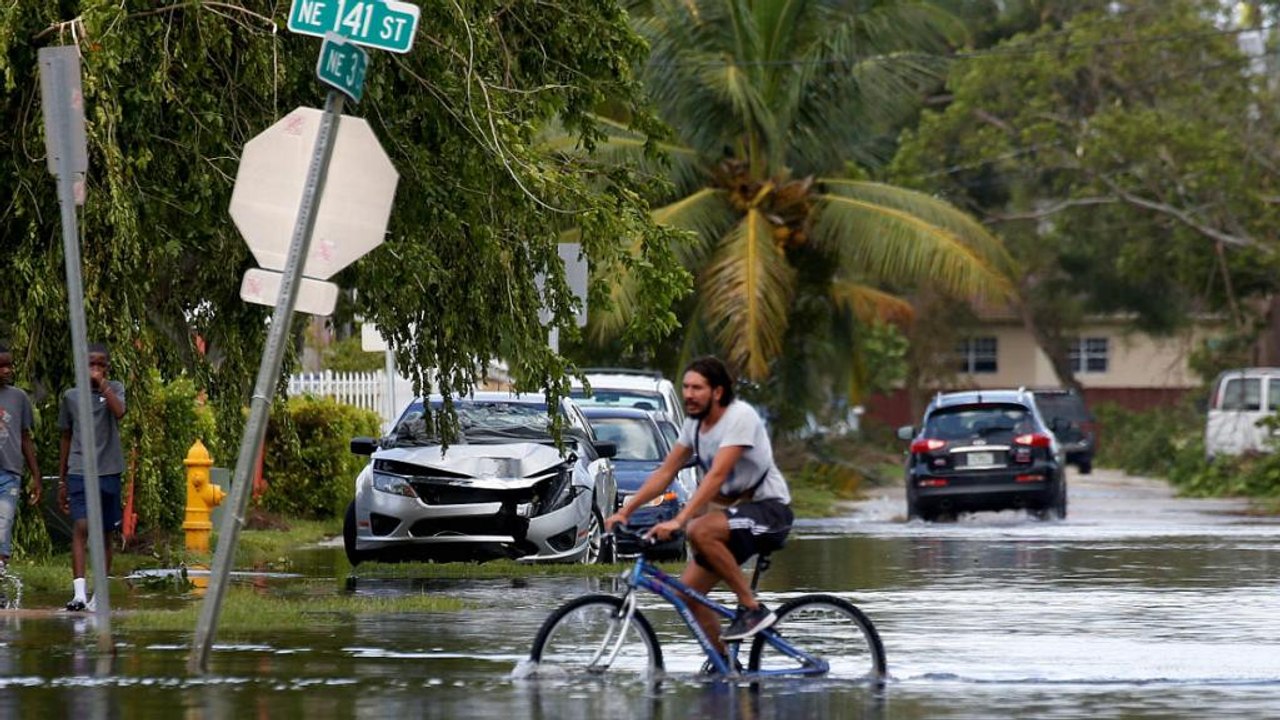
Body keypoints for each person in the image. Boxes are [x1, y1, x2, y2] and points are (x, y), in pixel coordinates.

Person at [605, 356, 793, 669]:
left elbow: (717, 475)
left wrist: (680, 520)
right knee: (688, 595)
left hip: (770, 512)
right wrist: (626, 510)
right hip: (736, 519)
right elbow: (664, 473)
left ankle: (752, 608)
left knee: (699, 529)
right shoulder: (693, 426)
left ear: (717, 392)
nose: (689, 394)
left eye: (698, 388)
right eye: (686, 387)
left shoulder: (740, 417)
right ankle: (724, 666)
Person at [57, 343, 126, 612]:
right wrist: (62, 478)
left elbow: (119, 412)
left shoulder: (115, 389)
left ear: (107, 368)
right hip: (79, 470)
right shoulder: (71, 397)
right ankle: (79, 594)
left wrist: (103, 385)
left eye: (101, 365)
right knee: (82, 527)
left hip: (108, 470)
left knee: (106, 533)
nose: (95, 370)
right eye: (91, 365)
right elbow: (65, 435)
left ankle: (100, 596)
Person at [0, 345, 41, 573]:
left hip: (9, 473)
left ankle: (1, 587)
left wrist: (36, 475)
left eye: (10, 365)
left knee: (3, 528)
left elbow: (25, 438)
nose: (7, 370)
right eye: (2, 366)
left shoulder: (19, 398)